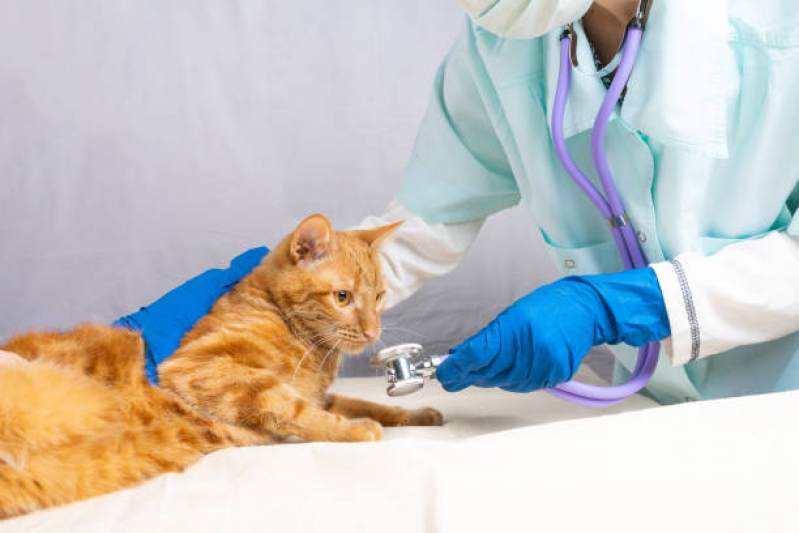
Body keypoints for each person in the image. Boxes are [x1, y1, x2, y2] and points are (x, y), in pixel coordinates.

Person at [117, 0, 799, 405]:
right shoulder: (504, 39)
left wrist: (616, 307)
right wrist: (254, 296)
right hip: (655, 407)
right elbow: (426, 221)